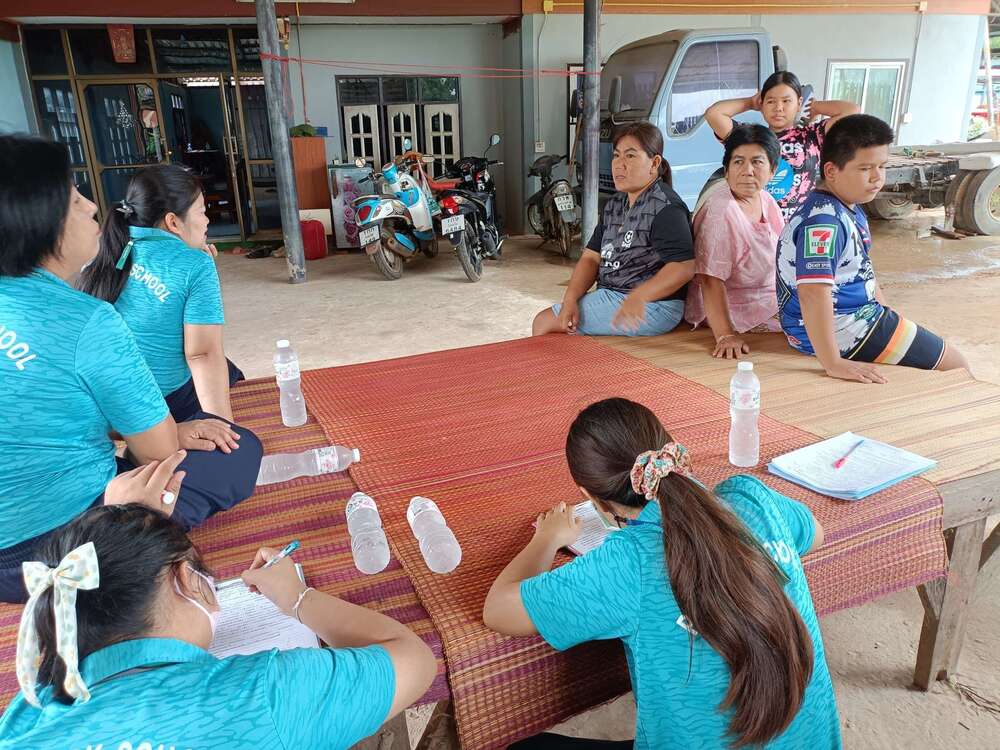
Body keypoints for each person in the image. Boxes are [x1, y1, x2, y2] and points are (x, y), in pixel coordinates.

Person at [484, 398, 841, 750]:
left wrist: (546, 538)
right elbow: (815, 534)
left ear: (594, 500)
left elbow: (498, 610)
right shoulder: (752, 497)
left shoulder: (628, 562)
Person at [0, 135, 263, 604]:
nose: (91, 207)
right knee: (238, 452)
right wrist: (190, 428)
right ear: (35, 222)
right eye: (73, 199)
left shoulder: (105, 268)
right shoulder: (87, 321)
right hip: (64, 547)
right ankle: (119, 556)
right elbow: (160, 448)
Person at [0, 503, 437, 748]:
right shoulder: (265, 693)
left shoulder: (27, 714)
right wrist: (296, 598)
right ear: (187, 579)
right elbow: (415, 661)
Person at [776, 115, 969, 383]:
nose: (877, 177)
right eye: (865, 168)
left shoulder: (845, 206)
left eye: (882, 166)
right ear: (831, 171)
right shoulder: (824, 223)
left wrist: (889, 316)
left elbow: (862, 269)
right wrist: (833, 362)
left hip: (857, 318)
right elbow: (812, 293)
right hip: (847, 328)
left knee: (926, 348)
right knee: (956, 364)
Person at [79, 164, 241, 423]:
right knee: (226, 371)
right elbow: (202, 354)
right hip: (158, 404)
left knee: (227, 368)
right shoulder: (195, 264)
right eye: (202, 212)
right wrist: (224, 429)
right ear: (173, 222)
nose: (207, 221)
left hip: (103, 402)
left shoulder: (104, 250)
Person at [532, 122, 694, 337]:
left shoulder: (665, 207)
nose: (619, 164)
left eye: (630, 156)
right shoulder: (616, 204)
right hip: (615, 295)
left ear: (654, 163)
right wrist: (570, 298)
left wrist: (640, 296)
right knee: (562, 318)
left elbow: (683, 266)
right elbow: (591, 257)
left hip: (655, 306)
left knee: (543, 322)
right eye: (616, 155)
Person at [685, 124, 786, 358]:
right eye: (738, 162)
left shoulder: (766, 199)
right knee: (811, 320)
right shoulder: (721, 211)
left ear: (772, 170)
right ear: (727, 170)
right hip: (732, 305)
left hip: (766, 295)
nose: (747, 171)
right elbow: (710, 279)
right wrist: (725, 335)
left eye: (757, 162)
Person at [705, 71, 860, 220]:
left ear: (799, 103)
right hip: (757, 226)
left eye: (786, 101)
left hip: (797, 227)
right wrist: (750, 102)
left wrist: (814, 107)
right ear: (762, 104)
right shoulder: (749, 137)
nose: (778, 108)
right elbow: (714, 114)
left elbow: (852, 111)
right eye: (771, 101)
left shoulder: (813, 135)